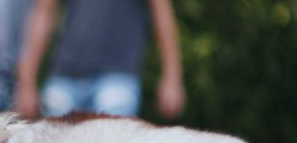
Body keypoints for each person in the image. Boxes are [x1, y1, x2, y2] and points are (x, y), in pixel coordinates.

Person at [15, 0, 186, 120]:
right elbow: (44, 12)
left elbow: (162, 13)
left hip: (117, 79)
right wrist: (26, 82)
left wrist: (172, 77)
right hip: (64, 78)